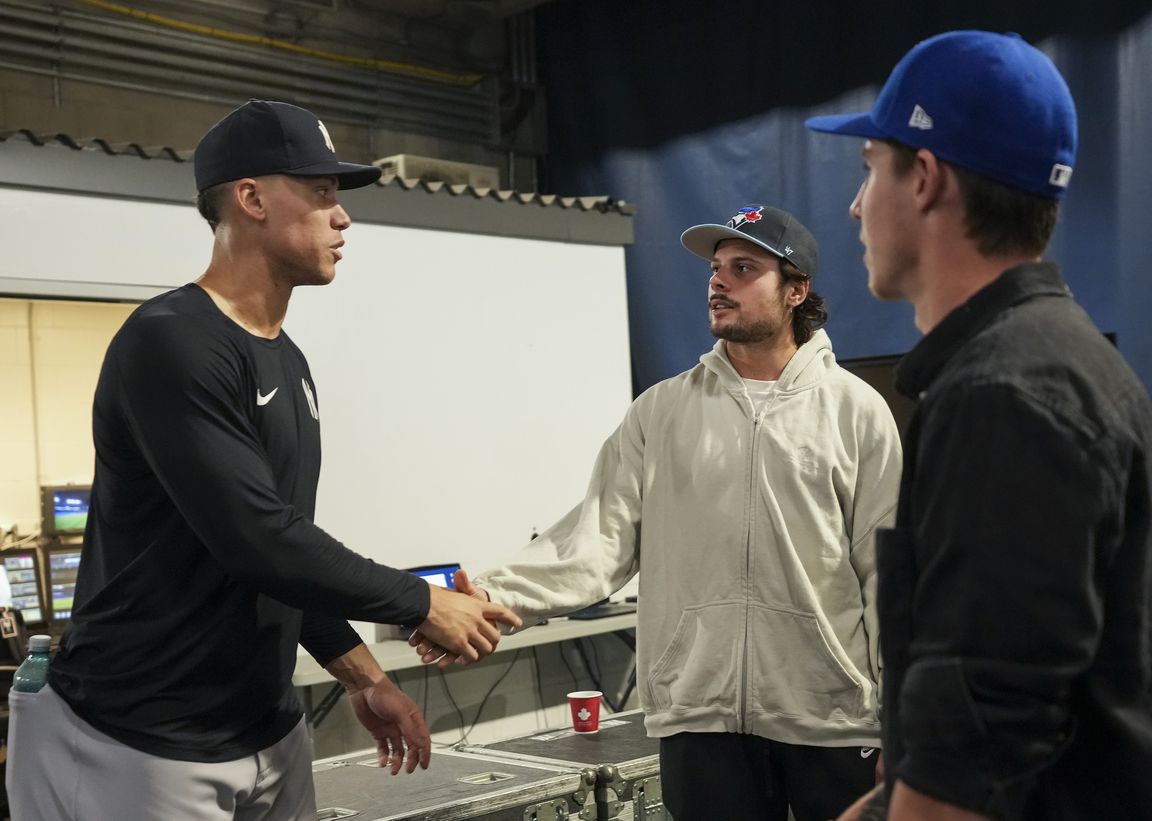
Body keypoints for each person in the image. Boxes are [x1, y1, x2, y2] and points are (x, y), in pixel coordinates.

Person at [5, 99, 521, 821]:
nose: (342, 218)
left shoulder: (289, 361)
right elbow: (257, 538)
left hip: (265, 732)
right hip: (140, 740)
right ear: (250, 197)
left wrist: (362, 675)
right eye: (320, 192)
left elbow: (277, 552)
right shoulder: (171, 342)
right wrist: (421, 602)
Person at [806, 30, 1152, 821]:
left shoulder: (1005, 398)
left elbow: (972, 770)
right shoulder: (1055, 361)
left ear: (925, 177)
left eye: (868, 170)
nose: (855, 206)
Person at [410, 204, 903, 821]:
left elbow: (890, 575)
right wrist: (483, 599)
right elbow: (595, 541)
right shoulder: (662, 412)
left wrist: (905, 722)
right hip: (699, 719)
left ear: (796, 291)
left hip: (830, 719)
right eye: (716, 269)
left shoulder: (855, 413)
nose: (719, 282)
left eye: (743, 268)